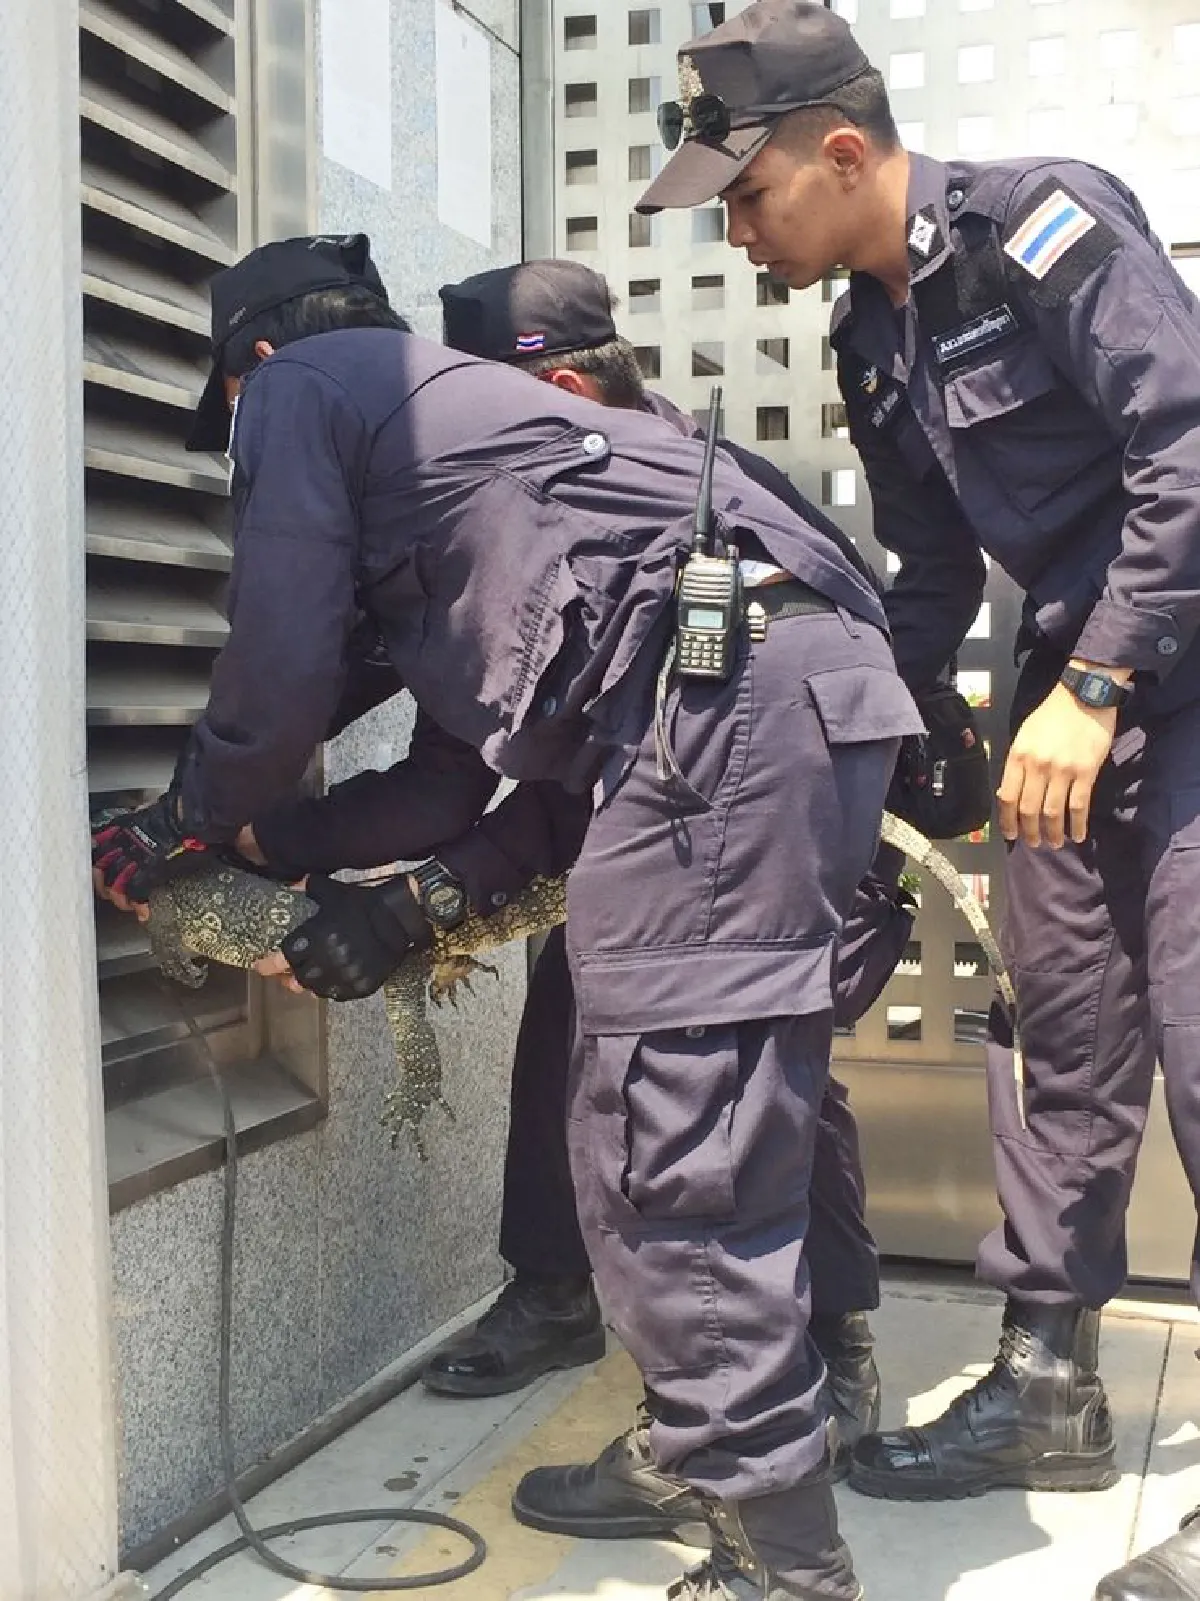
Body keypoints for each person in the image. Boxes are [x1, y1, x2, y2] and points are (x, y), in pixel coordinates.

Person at [93, 230, 922, 1599]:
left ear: (253, 360)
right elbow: (441, 772)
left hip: (719, 711)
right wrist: (276, 842)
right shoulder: (462, 459)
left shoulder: (302, 388)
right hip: (749, 711)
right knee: (677, 1130)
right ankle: (729, 1472)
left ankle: (780, 1568)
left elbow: (286, 657)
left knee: (675, 1153)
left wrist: (187, 812)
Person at [637, 2, 1200, 1594]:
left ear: (837, 151)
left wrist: (1095, 689)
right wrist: (880, 744)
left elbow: (1190, 451)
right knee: (1060, 1038)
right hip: (1064, 704)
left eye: (744, 197)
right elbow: (935, 574)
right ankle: (1046, 1389)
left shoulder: (1045, 225)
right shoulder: (872, 340)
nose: (737, 233)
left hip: (1172, 673)